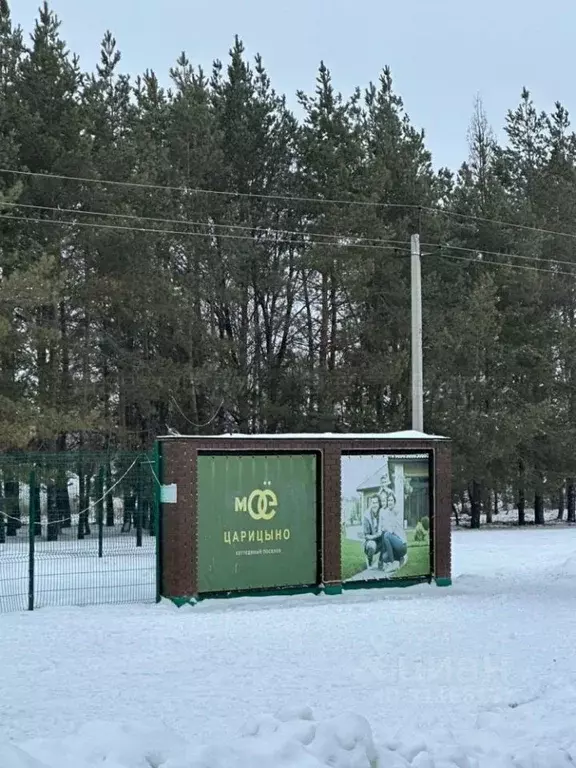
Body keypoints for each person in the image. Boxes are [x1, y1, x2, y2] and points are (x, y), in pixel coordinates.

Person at [363, 495, 408, 572]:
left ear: (394, 502)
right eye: (388, 501)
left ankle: (392, 563)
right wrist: (380, 531)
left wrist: (382, 529)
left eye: (391, 501)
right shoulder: (379, 513)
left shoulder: (394, 511)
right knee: (384, 556)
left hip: (401, 544)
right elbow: (379, 529)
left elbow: (390, 530)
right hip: (391, 542)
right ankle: (400, 558)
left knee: (386, 535)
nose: (389, 503)